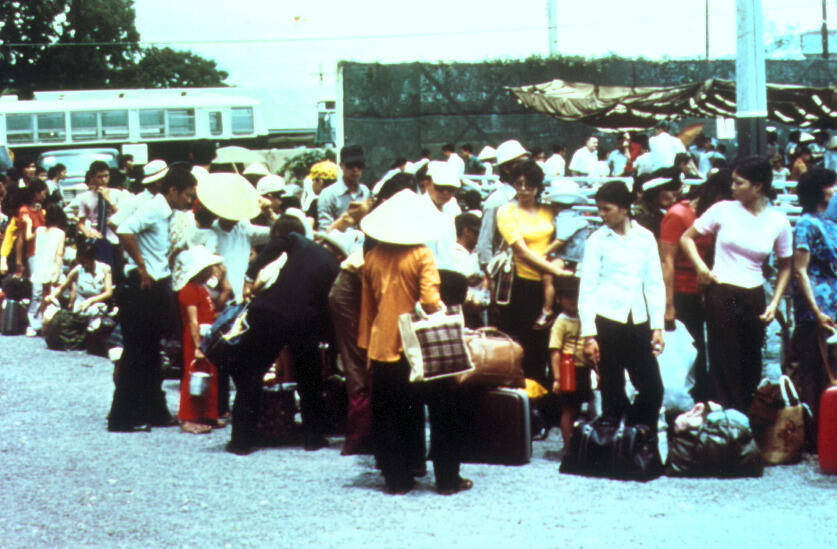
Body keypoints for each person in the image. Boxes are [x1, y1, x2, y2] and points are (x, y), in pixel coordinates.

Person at [358, 189, 471, 495]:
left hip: (384, 346)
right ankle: (447, 480)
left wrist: (367, 349)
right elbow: (431, 301)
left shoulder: (371, 257)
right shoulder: (421, 254)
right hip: (420, 347)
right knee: (443, 413)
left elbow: (368, 311)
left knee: (390, 416)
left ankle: (398, 480)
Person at [681, 157, 793, 412]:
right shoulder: (723, 209)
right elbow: (687, 238)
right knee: (724, 360)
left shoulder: (778, 221)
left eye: (739, 183)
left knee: (751, 360)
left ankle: (744, 420)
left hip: (754, 293)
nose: (733, 187)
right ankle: (725, 420)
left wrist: (775, 302)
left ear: (758, 186)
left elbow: (787, 264)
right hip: (722, 290)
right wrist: (702, 269)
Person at [225, 215, 339, 455]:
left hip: (270, 313)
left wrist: (249, 276)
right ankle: (313, 437)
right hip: (304, 320)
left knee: (251, 374)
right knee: (310, 379)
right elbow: (329, 303)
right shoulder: (330, 262)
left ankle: (241, 440)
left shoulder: (295, 242)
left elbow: (276, 246)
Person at [108, 166, 198, 433]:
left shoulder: (167, 212)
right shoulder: (154, 208)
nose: (189, 200)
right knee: (138, 353)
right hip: (142, 287)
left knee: (150, 353)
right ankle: (122, 417)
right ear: (172, 190)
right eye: (187, 195)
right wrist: (141, 266)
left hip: (156, 283)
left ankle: (153, 411)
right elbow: (124, 230)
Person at [579, 180, 665, 427]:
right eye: (599, 209)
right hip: (606, 320)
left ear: (624, 208)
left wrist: (657, 326)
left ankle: (638, 437)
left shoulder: (646, 238)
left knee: (652, 388)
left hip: (638, 319)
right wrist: (589, 335)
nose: (602, 215)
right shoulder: (597, 240)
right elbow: (587, 288)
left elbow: (654, 283)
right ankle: (613, 448)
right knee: (612, 391)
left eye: (607, 209)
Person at [659, 170, 732, 401]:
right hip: (681, 290)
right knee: (689, 350)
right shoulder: (678, 214)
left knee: (704, 348)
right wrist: (668, 305)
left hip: (703, 290)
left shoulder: (710, 216)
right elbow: (666, 261)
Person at [496, 160, 566, 384]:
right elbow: (522, 252)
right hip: (523, 284)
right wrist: (555, 271)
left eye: (529, 184)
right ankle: (529, 399)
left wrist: (558, 270)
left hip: (552, 285)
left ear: (538, 186)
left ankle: (548, 397)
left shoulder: (549, 210)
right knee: (529, 345)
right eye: (519, 184)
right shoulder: (506, 212)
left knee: (552, 344)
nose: (524, 189)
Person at [790, 168, 837, 429]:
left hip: (833, 301)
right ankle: (815, 430)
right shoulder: (806, 224)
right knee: (815, 367)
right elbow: (800, 270)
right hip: (816, 305)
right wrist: (815, 309)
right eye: (832, 185)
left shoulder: (831, 223)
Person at [172, 246, 225, 435]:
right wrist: (197, 346)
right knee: (194, 374)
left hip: (206, 335)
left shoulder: (201, 289)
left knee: (208, 374)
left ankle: (206, 414)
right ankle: (188, 417)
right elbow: (193, 321)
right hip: (197, 338)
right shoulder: (189, 290)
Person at [534, 180, 589, 329]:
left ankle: (547, 310)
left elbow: (560, 241)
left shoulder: (565, 217)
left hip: (570, 257)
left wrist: (542, 254)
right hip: (574, 256)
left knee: (547, 274)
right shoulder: (575, 215)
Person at [548, 275, 593, 447]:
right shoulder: (560, 322)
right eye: (568, 297)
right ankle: (568, 446)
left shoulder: (585, 317)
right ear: (559, 299)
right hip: (568, 369)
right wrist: (557, 378)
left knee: (580, 408)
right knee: (569, 409)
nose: (573, 300)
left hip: (584, 368)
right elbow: (555, 351)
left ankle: (576, 444)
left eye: (576, 296)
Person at [475, 139, 530, 267]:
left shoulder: (530, 196)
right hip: (506, 269)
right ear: (506, 168)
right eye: (521, 163)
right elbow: (485, 243)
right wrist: (488, 275)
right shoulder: (497, 201)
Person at [22, 203, 66, 336]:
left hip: (40, 265)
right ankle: (48, 325)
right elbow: (59, 254)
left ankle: (42, 323)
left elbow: (28, 237)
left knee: (44, 296)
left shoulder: (40, 230)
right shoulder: (60, 233)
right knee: (52, 295)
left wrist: (28, 222)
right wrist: (58, 270)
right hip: (52, 266)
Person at [48, 240, 113, 322]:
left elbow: (108, 293)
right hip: (81, 306)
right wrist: (52, 296)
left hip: (98, 304)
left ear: (92, 259)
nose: (82, 264)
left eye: (84, 261)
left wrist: (91, 301)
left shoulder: (105, 269)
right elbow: (62, 288)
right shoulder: (77, 270)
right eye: (80, 262)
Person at [77, 161, 121, 269]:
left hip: (114, 238)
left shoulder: (117, 194)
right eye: (99, 177)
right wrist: (87, 233)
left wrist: (110, 201)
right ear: (92, 178)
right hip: (96, 238)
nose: (103, 180)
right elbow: (80, 223)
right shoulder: (84, 197)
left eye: (106, 176)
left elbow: (122, 216)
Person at [317, 145, 371, 230]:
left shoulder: (365, 191)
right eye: (351, 165)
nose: (355, 170)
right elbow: (325, 230)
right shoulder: (328, 194)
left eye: (359, 166)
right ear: (341, 166)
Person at [632, 168, 682, 240]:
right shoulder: (640, 215)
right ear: (657, 191)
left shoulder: (664, 211)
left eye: (678, 195)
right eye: (673, 195)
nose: (674, 200)